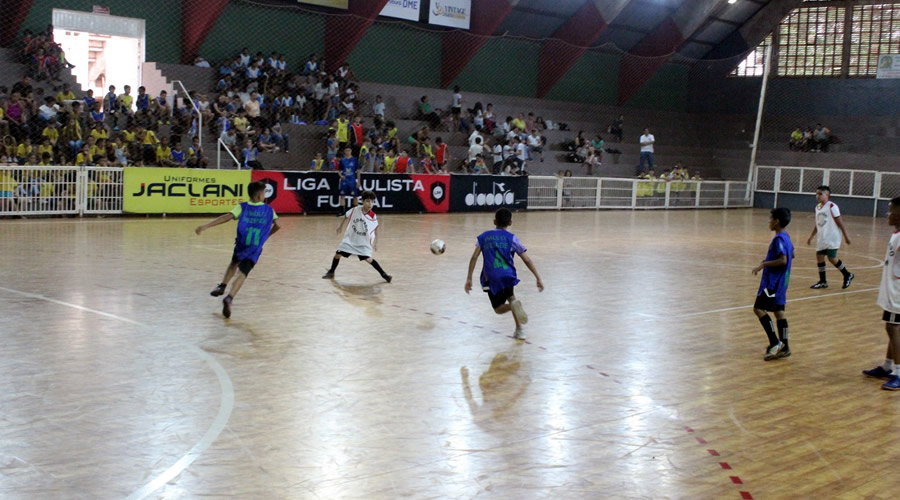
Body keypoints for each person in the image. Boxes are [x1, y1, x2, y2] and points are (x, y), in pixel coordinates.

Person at [195, 181, 281, 319]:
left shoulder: (243, 207)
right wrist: (266, 235)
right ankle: (229, 298)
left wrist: (206, 226)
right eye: (264, 193)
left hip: (241, 243)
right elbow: (278, 225)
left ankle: (222, 286)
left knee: (234, 262)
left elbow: (227, 217)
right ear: (260, 195)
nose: (265, 195)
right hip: (255, 246)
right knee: (243, 273)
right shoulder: (269, 210)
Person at [464, 208, 544, 340]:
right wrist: (538, 278)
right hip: (508, 275)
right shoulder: (512, 239)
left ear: (494, 221)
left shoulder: (484, 237)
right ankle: (520, 330)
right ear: (510, 222)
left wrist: (469, 278)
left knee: (498, 308)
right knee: (512, 297)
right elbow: (526, 259)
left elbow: (474, 257)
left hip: (491, 277)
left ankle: (512, 309)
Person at [864, 197, 900, 390]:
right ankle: (887, 366)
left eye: (891, 210)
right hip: (891, 291)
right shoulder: (896, 234)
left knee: (893, 328)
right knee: (892, 327)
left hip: (898, 293)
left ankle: (898, 373)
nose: (888, 214)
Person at [752, 207, 794, 361]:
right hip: (783, 282)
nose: (769, 222)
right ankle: (785, 346)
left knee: (758, 309)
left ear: (776, 221)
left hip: (773, 283)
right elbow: (792, 255)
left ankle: (775, 342)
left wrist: (765, 264)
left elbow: (783, 260)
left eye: (771, 219)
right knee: (779, 312)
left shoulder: (779, 239)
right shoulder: (787, 237)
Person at [321, 190, 392, 282]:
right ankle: (331, 272)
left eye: (372, 202)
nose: (370, 204)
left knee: (369, 259)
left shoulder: (372, 216)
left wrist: (376, 243)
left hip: (362, 242)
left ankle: (384, 275)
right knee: (337, 254)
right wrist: (340, 227)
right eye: (367, 201)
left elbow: (376, 229)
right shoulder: (355, 210)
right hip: (350, 240)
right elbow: (346, 215)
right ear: (362, 201)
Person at [807, 185, 854, 289]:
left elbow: (840, 222)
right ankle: (823, 281)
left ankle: (847, 274)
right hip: (822, 237)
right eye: (816, 194)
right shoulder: (817, 207)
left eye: (820, 194)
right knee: (819, 257)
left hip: (832, 236)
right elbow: (818, 223)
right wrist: (811, 236)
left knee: (831, 257)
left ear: (827, 195)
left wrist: (846, 236)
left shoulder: (832, 206)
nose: (817, 196)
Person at [336, 147, 360, 216]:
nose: (347, 152)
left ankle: (355, 212)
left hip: (352, 180)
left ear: (351, 151)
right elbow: (339, 170)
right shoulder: (342, 160)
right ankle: (342, 211)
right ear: (344, 151)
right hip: (344, 181)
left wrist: (358, 181)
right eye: (346, 150)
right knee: (342, 195)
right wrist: (341, 176)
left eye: (349, 150)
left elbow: (358, 171)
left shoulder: (354, 160)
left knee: (355, 195)